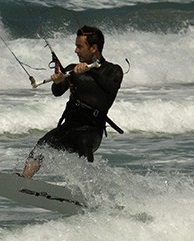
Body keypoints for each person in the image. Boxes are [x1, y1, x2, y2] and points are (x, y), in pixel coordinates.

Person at [21, 26, 123, 178]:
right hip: (69, 127)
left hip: (92, 130)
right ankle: (24, 180)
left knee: (83, 142)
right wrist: (58, 81)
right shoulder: (72, 70)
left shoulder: (113, 70)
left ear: (93, 48)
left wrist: (91, 70)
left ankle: (87, 188)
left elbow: (109, 88)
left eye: (79, 47)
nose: (76, 51)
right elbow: (57, 92)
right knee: (43, 144)